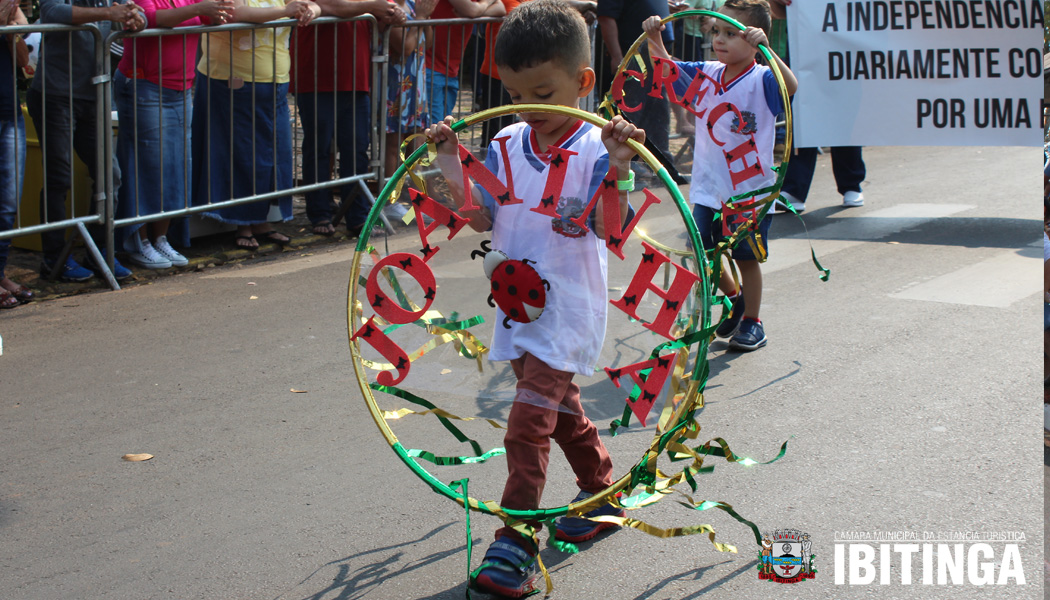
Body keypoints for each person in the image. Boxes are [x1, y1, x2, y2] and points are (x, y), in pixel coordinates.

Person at [425, 1, 643, 596]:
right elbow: (476, 216)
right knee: (557, 405)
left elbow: (610, 229)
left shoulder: (601, 147)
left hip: (569, 308)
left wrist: (619, 168)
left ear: (582, 81)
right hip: (516, 302)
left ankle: (515, 536)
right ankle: (603, 491)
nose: (528, 107)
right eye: (515, 94)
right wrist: (448, 158)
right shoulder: (506, 141)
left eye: (542, 91)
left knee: (527, 420)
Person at [644, 0, 796, 352]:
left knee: (745, 255)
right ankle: (735, 297)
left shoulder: (763, 79)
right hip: (708, 187)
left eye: (731, 33)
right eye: (717, 32)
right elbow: (666, 70)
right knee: (701, 250)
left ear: (755, 40)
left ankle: (754, 322)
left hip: (749, 191)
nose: (720, 40)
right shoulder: (707, 73)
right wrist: (655, 37)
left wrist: (768, 50)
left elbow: (790, 88)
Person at [29, 0, 144, 281]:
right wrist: (108, 14)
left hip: (95, 94)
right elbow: (51, 12)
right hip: (56, 95)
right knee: (59, 178)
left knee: (110, 177)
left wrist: (137, 20)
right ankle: (55, 258)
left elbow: (136, 15)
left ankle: (98, 252)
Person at [192, 0, 320, 249]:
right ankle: (243, 223)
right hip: (235, 81)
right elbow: (234, 13)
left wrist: (310, 12)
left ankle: (262, 221)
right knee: (244, 155)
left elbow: (313, 5)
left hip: (276, 83)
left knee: (275, 154)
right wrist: (286, 11)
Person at [115, 0, 233, 269]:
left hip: (180, 88)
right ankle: (138, 241)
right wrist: (200, 9)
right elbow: (152, 19)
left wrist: (215, 13)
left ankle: (161, 238)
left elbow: (208, 19)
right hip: (145, 85)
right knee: (146, 166)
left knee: (175, 167)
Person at [291, 0, 405, 237]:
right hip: (315, 75)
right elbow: (326, 5)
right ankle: (320, 212)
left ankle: (357, 215)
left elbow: (381, 19)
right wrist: (374, 7)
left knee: (357, 148)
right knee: (318, 147)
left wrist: (392, 15)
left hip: (356, 76)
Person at [767, 0, 865, 213]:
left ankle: (851, 183)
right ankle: (794, 189)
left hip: (846, 43)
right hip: (805, 47)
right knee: (802, 111)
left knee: (844, 111)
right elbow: (780, 11)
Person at [597, 0, 672, 162]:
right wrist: (617, 57)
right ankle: (630, 164)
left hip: (656, 62)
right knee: (629, 117)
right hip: (632, 62)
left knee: (657, 114)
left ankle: (661, 164)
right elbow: (606, 17)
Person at [424, 0, 505, 125]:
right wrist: (484, 5)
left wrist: (475, 11)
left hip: (450, 69)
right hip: (431, 68)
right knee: (435, 129)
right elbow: (471, 11)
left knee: (443, 127)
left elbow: (500, 8)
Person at [0, 1, 31, 307]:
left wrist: (12, 33)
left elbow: (23, 62)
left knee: (8, 204)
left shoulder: (10, 12)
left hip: (10, 113)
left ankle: (0, 273)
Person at [384, 0, 435, 186]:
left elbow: (427, 42)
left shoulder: (413, 4)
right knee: (393, 144)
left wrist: (425, 17)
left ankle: (419, 196)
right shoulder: (388, 7)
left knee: (418, 141)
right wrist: (421, 17)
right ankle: (389, 201)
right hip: (395, 86)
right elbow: (405, 47)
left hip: (416, 85)